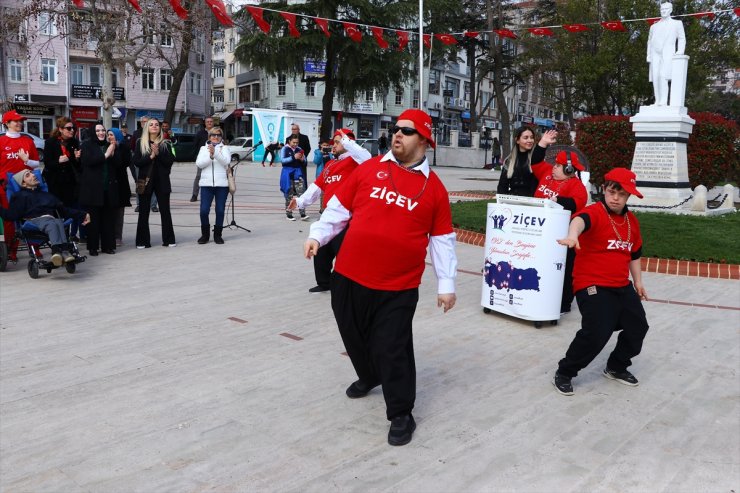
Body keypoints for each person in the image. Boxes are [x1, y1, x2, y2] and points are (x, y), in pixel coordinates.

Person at [303, 109, 457, 446]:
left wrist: (447, 285)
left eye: (406, 130)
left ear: (425, 141)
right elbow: (338, 211)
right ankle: (369, 375)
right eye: (395, 128)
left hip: (397, 287)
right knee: (353, 335)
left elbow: (443, 242)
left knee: (392, 348)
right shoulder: (369, 169)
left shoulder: (435, 190)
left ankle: (401, 412)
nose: (397, 134)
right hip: (347, 275)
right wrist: (318, 235)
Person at [552, 167, 650, 396]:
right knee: (598, 330)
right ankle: (565, 372)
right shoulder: (594, 212)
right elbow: (579, 221)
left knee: (638, 327)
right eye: (612, 192)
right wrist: (573, 235)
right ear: (604, 189)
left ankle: (616, 367)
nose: (616, 198)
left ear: (628, 196)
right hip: (591, 283)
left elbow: (634, 254)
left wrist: (638, 283)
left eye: (622, 194)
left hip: (620, 284)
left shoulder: (631, 222)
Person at [289, 129, 371, 293]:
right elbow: (317, 186)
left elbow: (366, 157)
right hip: (328, 215)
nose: (334, 145)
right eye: (334, 142)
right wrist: (300, 201)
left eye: (337, 142)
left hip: (349, 217)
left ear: (349, 143)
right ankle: (324, 283)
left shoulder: (357, 161)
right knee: (321, 251)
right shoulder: (330, 164)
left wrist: (347, 142)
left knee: (345, 253)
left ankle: (346, 285)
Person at [532, 150, 589, 313]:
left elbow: (577, 203)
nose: (554, 168)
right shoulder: (547, 174)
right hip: (540, 231)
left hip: (562, 236)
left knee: (566, 269)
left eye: (558, 165)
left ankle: (564, 303)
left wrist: (557, 200)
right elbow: (535, 162)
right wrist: (542, 144)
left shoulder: (577, 186)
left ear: (569, 170)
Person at [0, 169, 90, 266]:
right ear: (24, 184)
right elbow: (12, 215)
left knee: (58, 222)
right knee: (52, 223)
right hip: (33, 221)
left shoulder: (46, 195)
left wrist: (83, 214)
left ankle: (64, 252)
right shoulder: (20, 196)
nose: (33, 175)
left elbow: (63, 210)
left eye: (32, 173)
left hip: (50, 220)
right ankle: (56, 252)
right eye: (28, 175)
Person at [0, 109, 41, 262]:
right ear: (7, 123)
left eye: (20, 121)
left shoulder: (27, 141)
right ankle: (11, 251)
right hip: (6, 186)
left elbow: (36, 164)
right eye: (15, 121)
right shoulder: (1, 141)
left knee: (32, 216)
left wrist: (26, 161)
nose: (19, 123)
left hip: (26, 185)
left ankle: (35, 248)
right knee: (10, 220)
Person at [133, 118, 176, 248]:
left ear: (160, 128)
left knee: (165, 211)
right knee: (144, 212)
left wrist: (158, 154)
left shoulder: (166, 143)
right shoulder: (140, 142)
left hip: (162, 181)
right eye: (151, 124)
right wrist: (150, 156)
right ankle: (142, 241)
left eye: (157, 125)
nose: (154, 126)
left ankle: (169, 239)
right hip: (145, 181)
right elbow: (137, 162)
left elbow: (170, 161)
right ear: (147, 127)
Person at [78, 124, 120, 256]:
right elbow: (88, 161)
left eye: (103, 130)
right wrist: (106, 155)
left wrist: (113, 153)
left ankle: (108, 246)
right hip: (92, 189)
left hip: (108, 188)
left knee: (108, 219)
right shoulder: (87, 145)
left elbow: (119, 165)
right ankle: (93, 247)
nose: (101, 133)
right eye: (98, 131)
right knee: (93, 220)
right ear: (92, 132)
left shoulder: (109, 145)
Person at [43, 117, 82, 240]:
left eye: (73, 128)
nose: (72, 131)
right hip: (55, 183)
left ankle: (71, 235)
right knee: (58, 211)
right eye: (68, 128)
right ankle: (59, 238)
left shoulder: (74, 142)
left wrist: (77, 158)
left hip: (70, 183)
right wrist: (58, 161)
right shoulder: (51, 142)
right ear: (60, 129)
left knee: (70, 209)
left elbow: (78, 166)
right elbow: (48, 163)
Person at [194, 126, 230, 245]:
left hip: (222, 185)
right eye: (213, 135)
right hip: (206, 185)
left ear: (221, 137)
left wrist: (215, 154)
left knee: (220, 210)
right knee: (204, 211)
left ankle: (217, 234)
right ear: (209, 137)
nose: (215, 137)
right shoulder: (203, 149)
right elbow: (199, 164)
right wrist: (210, 156)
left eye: (218, 135)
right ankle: (205, 234)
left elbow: (226, 162)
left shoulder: (224, 148)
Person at [647, 2, 686, 106]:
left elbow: (682, 38)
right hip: (655, 53)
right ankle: (657, 100)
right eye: (662, 9)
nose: (663, 11)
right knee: (655, 77)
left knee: (663, 76)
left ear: (670, 10)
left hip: (668, 53)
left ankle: (664, 100)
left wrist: (680, 51)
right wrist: (648, 55)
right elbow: (649, 42)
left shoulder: (677, 24)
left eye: (666, 9)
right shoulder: (653, 26)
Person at [496, 127, 553, 197]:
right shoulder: (509, 160)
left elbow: (540, 152)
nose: (530, 140)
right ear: (517, 140)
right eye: (526, 138)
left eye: (532, 137)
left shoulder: (536, 158)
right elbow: (502, 186)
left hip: (533, 201)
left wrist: (544, 142)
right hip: (513, 201)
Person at [109, 128, 132, 247]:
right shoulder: (105, 147)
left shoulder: (124, 148)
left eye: (112, 135)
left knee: (119, 212)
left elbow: (124, 162)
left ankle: (118, 236)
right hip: (108, 184)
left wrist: (115, 149)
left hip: (121, 184)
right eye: (108, 135)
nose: (109, 137)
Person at [280, 135, 307, 221]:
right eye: (293, 142)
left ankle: (302, 213)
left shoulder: (299, 149)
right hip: (287, 173)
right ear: (289, 141)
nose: (295, 144)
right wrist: (293, 157)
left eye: (297, 142)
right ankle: (289, 214)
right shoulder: (285, 149)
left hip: (298, 173)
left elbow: (305, 162)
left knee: (301, 193)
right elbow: (283, 160)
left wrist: (303, 159)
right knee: (289, 194)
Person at [191, 116, 214, 202]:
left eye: (211, 121)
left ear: (213, 123)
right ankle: (194, 195)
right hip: (203, 158)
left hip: (214, 158)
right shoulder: (200, 133)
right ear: (205, 123)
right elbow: (195, 145)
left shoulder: (217, 133)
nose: (209, 123)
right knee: (199, 176)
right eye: (207, 121)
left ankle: (212, 195)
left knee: (213, 175)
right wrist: (196, 157)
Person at [290, 123, 311, 189]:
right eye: (292, 129)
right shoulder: (288, 138)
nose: (293, 130)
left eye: (295, 129)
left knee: (302, 177)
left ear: (298, 130)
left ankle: (303, 190)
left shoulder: (304, 137)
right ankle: (293, 190)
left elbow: (308, 148)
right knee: (292, 177)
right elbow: (287, 149)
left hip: (302, 161)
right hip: (292, 161)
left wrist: (303, 156)